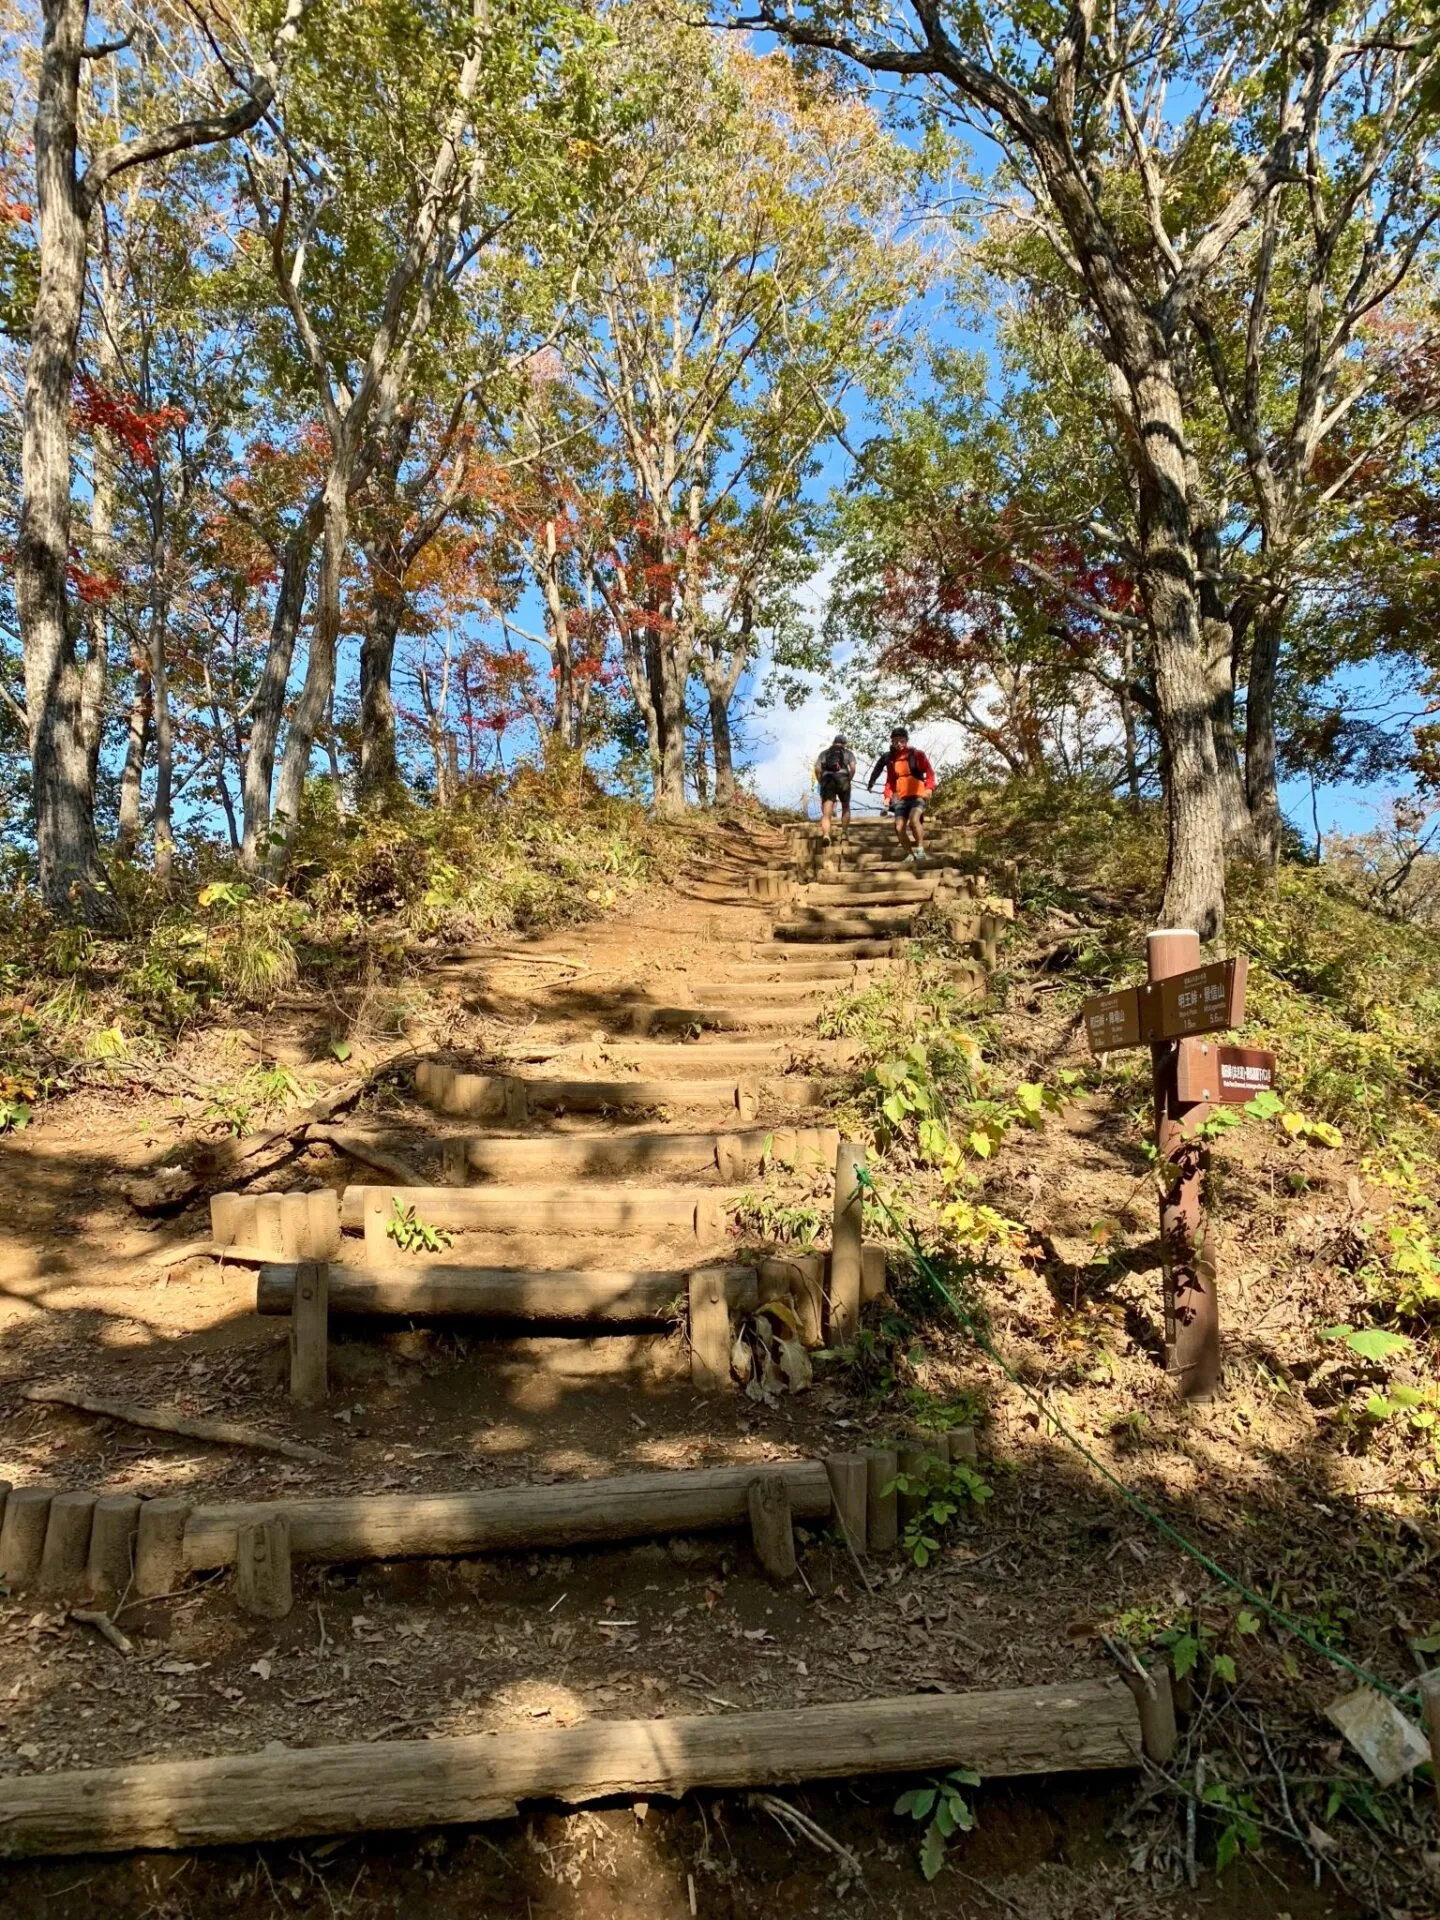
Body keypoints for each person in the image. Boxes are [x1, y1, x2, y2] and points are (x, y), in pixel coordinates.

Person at [867, 726, 935, 862]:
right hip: (901, 798)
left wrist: (929, 788)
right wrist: (887, 796)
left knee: (914, 820)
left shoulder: (916, 754)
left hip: (917, 795)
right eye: (895, 741)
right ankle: (909, 853)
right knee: (898, 827)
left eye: (901, 741)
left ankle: (920, 850)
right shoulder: (891, 759)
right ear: (892, 742)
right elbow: (890, 780)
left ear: (906, 740)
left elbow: (929, 772)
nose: (899, 744)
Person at [813, 734, 856, 843]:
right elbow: (853, 768)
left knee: (827, 813)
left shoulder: (824, 753)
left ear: (833, 742)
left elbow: (817, 769)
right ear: (844, 744)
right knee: (845, 806)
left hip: (828, 780)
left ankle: (826, 835)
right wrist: (848, 779)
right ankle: (844, 833)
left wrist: (821, 781)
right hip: (843, 779)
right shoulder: (848, 753)